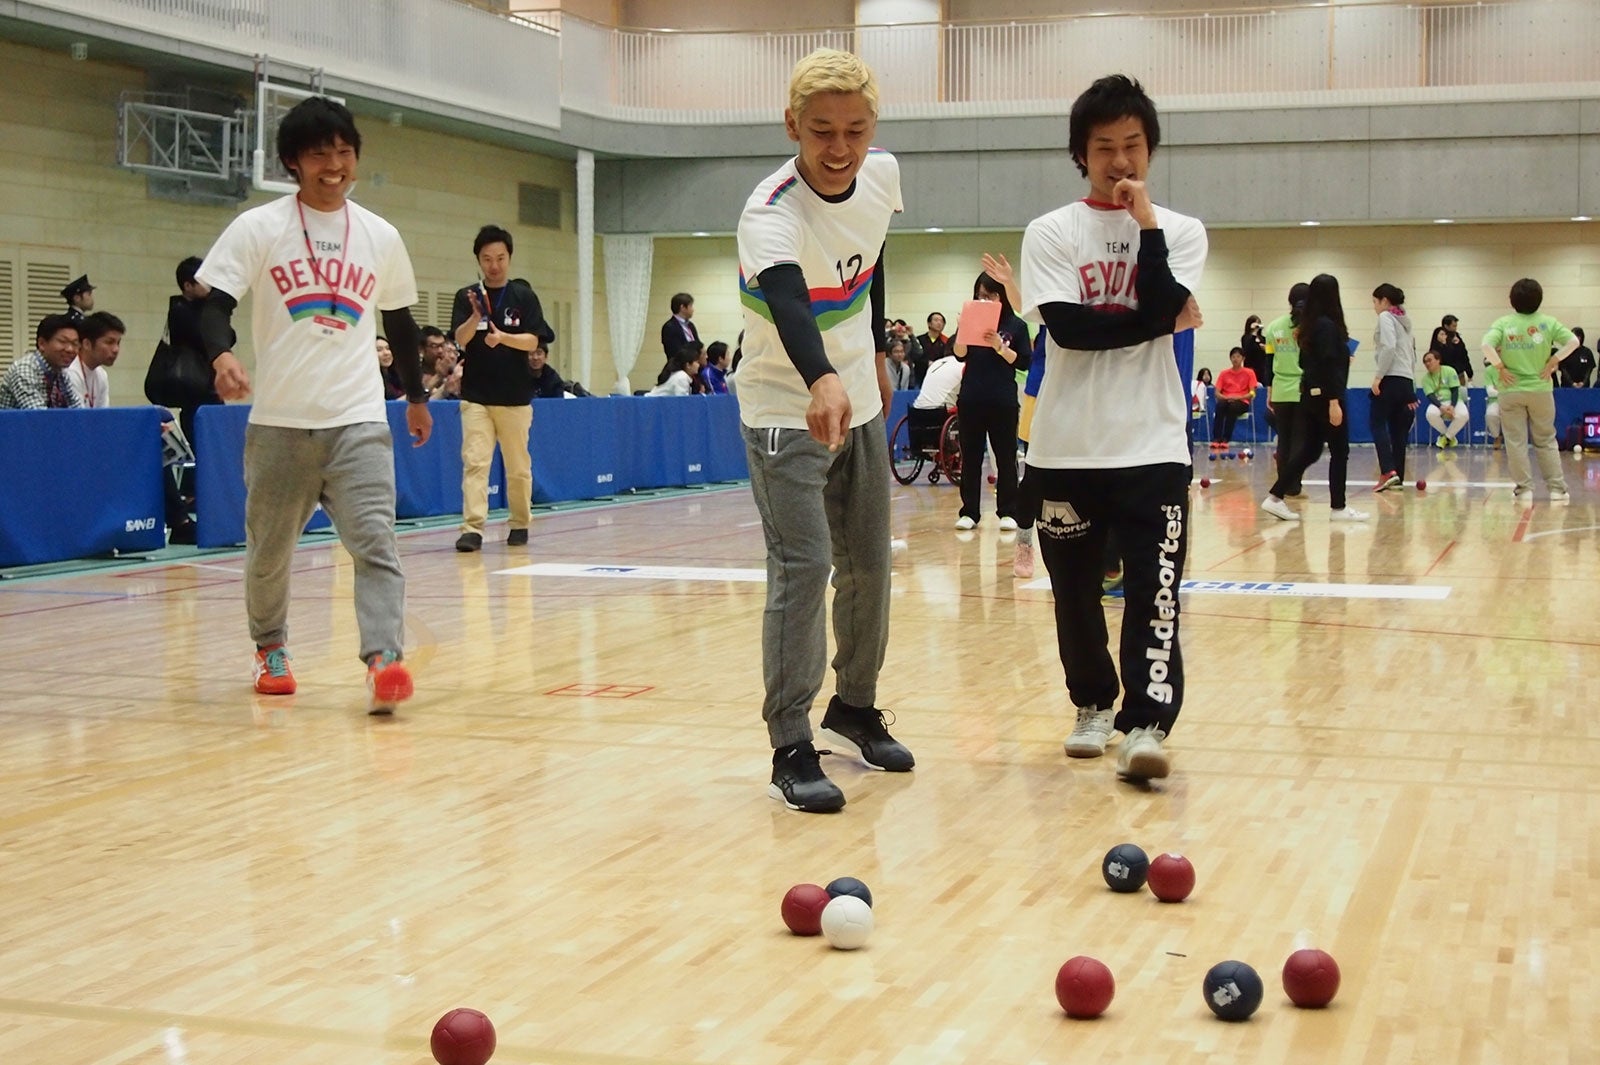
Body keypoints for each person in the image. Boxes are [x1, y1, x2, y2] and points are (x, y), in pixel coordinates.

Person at [195, 95, 431, 713]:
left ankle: (384, 658)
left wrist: (415, 396)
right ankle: (270, 646)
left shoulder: (380, 235)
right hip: (280, 426)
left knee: (376, 543)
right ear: (292, 162)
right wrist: (222, 356)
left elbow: (401, 325)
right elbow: (210, 304)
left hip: (358, 419)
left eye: (345, 151)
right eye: (319, 152)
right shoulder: (259, 227)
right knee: (269, 553)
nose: (335, 163)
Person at [735, 48, 911, 814]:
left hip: (858, 400)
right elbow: (787, 301)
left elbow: (874, 257)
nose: (840, 149)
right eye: (821, 132)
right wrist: (822, 378)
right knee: (805, 568)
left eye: (856, 130)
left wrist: (869, 353)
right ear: (791, 127)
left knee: (869, 563)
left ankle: (855, 707)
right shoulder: (768, 210)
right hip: (785, 407)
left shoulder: (882, 173)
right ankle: (790, 740)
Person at [1019, 73, 1207, 780]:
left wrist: (1148, 227)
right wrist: (1154, 320)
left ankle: (1146, 722)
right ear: (1081, 154)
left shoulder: (1182, 231)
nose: (1120, 161)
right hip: (1066, 448)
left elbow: (1162, 301)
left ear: (1150, 149)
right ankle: (1093, 703)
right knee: (1073, 595)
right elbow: (1067, 330)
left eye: (1133, 145)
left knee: (1154, 595)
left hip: (1153, 446)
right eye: (1105, 148)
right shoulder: (1051, 232)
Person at [449, 223, 555, 553]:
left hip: (514, 397)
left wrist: (503, 338)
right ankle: (472, 529)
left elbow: (534, 340)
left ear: (509, 258)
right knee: (476, 462)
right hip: (476, 395)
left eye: (500, 258)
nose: (494, 265)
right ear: (478, 261)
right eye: (487, 259)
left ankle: (520, 521)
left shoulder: (523, 296)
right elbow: (460, 338)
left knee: (518, 466)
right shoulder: (467, 296)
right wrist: (476, 316)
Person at [1261, 273, 1368, 523]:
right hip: (1327, 398)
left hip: (1309, 395)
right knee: (1340, 450)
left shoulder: (1310, 325)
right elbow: (1328, 366)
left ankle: (1275, 497)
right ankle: (1338, 508)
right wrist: (1333, 401)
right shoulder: (1327, 326)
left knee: (1310, 450)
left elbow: (1306, 361)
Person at [1482, 278, 1577, 503]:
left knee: (1515, 441)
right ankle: (1557, 490)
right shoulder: (1549, 322)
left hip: (1510, 389)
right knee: (1545, 439)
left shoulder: (1504, 323)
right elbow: (1573, 341)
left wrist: (1500, 367)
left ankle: (1524, 490)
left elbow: (1486, 345)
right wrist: (1554, 359)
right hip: (1541, 390)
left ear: (1512, 300)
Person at [953, 268, 1030, 530]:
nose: (985, 300)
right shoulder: (970, 319)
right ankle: (969, 512)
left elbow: (1023, 361)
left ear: (1002, 297)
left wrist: (1000, 346)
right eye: (980, 295)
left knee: (1006, 456)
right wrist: (963, 330)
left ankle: (1008, 510)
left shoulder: (1015, 325)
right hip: (971, 397)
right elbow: (959, 354)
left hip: (1003, 399)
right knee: (971, 456)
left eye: (991, 295)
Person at [1367, 282, 1417, 492]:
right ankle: (1398, 477)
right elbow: (1411, 355)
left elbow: (1388, 346)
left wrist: (1379, 377)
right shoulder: (1405, 322)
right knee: (1399, 431)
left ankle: (1388, 470)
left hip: (1391, 377)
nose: (1374, 307)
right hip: (1406, 379)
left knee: (1376, 422)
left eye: (1375, 302)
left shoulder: (1386, 317)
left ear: (1384, 301)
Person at [1262, 282, 1308, 496]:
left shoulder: (1273, 327)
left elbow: (1268, 363)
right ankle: (1294, 484)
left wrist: (1269, 392)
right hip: (1303, 390)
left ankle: (1284, 483)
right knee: (1300, 439)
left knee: (1284, 440)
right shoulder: (1313, 327)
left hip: (1280, 389)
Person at [0, 315, 83, 409]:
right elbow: (39, 418)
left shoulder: (61, 374)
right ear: (42, 344)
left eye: (75, 344)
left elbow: (78, 412)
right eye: (63, 341)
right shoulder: (24, 370)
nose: (70, 349)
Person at [67, 311, 123, 409]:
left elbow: (104, 416)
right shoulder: (69, 373)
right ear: (87, 344)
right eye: (109, 342)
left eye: (118, 343)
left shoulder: (101, 374)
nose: (116, 349)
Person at [1419, 350, 1468, 447]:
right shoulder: (1425, 379)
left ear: (1438, 360)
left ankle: (1446, 437)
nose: (1427, 363)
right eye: (1425, 362)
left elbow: (1455, 390)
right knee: (1430, 413)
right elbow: (1430, 395)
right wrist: (1441, 407)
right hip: (1438, 402)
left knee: (1464, 415)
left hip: (1455, 401)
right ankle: (1449, 437)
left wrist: (1452, 406)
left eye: (1430, 360)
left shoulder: (1449, 370)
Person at [1211, 347, 1257, 448]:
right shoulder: (1224, 373)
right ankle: (1216, 438)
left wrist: (1239, 398)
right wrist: (1225, 397)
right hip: (1226, 399)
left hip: (1242, 401)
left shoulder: (1249, 373)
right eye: (1233, 357)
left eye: (1238, 356)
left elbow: (1252, 392)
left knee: (1233, 408)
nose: (1235, 359)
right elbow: (1217, 393)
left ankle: (1226, 439)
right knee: (1220, 406)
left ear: (1243, 358)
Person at [659, 292, 699, 366]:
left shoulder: (691, 325)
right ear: (682, 307)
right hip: (679, 367)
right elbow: (674, 352)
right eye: (691, 306)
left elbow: (698, 344)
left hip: (694, 366)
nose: (693, 310)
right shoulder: (669, 327)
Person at [1432, 314, 1473, 384]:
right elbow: (1438, 355)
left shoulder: (1456, 337)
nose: (1455, 328)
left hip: (1459, 372)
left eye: (1456, 326)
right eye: (1453, 326)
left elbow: (1464, 355)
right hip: (1444, 373)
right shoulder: (1439, 338)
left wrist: (1469, 372)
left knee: (1461, 392)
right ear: (1446, 326)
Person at [915, 311, 951, 385]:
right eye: (936, 320)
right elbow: (915, 356)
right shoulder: (919, 339)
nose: (939, 323)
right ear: (929, 323)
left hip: (938, 376)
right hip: (920, 375)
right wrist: (927, 363)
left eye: (941, 321)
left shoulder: (946, 342)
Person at [1240, 313, 1270, 385]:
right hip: (1251, 368)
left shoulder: (1263, 338)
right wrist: (1254, 333)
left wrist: (1266, 348)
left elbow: (1269, 350)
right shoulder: (1246, 337)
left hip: (1262, 368)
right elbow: (1247, 349)